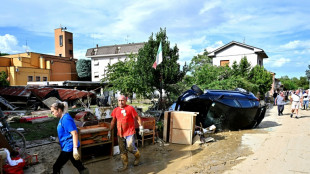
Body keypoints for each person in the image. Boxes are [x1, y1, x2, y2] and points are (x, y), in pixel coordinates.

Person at [51, 102, 89, 174]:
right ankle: (85, 172)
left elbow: (74, 133)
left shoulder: (65, 119)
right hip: (68, 145)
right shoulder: (63, 117)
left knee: (56, 167)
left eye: (53, 111)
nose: (52, 113)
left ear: (59, 110)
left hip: (69, 147)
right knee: (78, 164)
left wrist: (74, 149)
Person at [110, 95, 143, 171]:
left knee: (130, 147)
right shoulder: (115, 110)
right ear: (117, 101)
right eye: (119, 100)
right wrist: (110, 130)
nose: (120, 102)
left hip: (129, 132)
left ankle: (137, 157)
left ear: (125, 101)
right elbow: (113, 121)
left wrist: (141, 127)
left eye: (122, 100)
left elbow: (137, 118)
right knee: (122, 150)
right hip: (120, 133)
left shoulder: (130, 108)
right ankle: (125, 165)